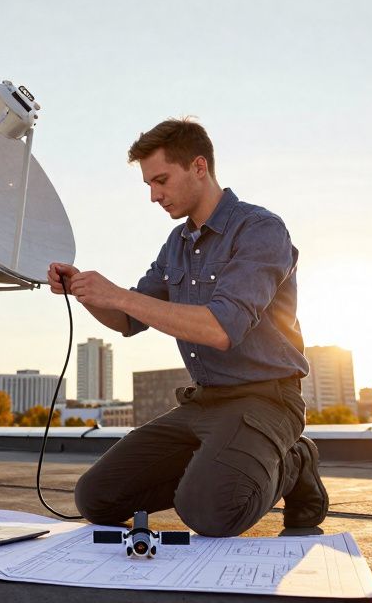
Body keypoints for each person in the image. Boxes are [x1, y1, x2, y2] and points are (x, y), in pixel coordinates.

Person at [47, 118, 328, 537]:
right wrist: (87, 293)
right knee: (97, 498)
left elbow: (221, 328)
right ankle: (216, 466)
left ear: (199, 167)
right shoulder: (176, 244)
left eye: (160, 180)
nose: (153, 195)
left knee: (211, 513)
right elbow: (129, 320)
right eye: (148, 184)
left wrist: (118, 294)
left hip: (266, 400)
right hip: (204, 403)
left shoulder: (260, 229)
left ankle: (294, 460)